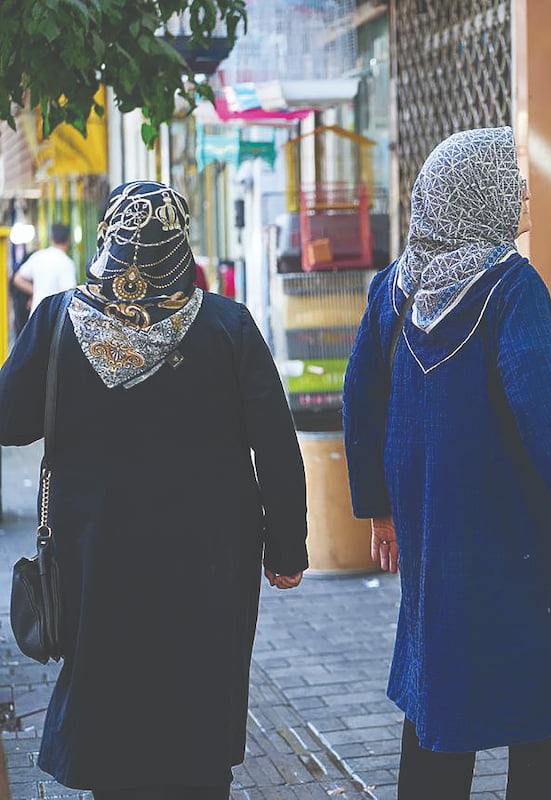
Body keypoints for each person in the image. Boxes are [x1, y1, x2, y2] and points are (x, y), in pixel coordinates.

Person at [343, 127, 551, 799]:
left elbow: (360, 403)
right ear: (475, 197)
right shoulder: (509, 286)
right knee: (539, 692)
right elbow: (541, 408)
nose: (521, 190)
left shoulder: (395, 287)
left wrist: (378, 510)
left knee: (441, 687)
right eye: (507, 180)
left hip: (435, 533)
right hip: (521, 533)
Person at [0, 181, 309, 800]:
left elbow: (10, 420)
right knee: (201, 692)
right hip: (211, 560)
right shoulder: (227, 325)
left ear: (106, 237)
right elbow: (276, 444)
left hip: (94, 554)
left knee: (109, 694)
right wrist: (286, 550)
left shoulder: (57, 320)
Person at [12, 223, 77, 312]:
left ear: (51, 239)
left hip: (36, 314)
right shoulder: (67, 263)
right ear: (69, 240)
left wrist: (36, 292)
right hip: (55, 315)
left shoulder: (38, 256)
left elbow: (18, 279)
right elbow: (69, 294)